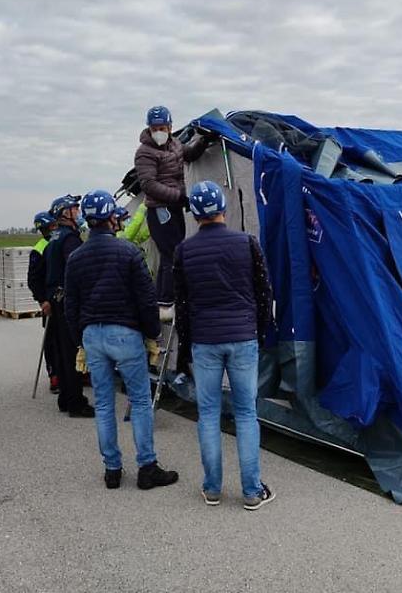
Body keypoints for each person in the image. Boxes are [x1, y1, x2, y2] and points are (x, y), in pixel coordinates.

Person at [65, 190, 179, 490]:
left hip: (92, 335)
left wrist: (81, 340)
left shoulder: (76, 258)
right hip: (126, 334)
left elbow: (71, 306)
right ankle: (147, 467)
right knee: (140, 401)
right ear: (111, 218)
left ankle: (112, 470)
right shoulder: (128, 252)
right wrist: (153, 333)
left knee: (103, 404)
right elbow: (146, 298)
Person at [174, 181, 276, 510]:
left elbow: (182, 305)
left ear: (194, 214)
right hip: (243, 336)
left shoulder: (183, 251)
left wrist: (186, 345)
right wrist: (260, 331)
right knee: (246, 413)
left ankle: (212, 488)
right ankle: (252, 491)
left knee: (208, 414)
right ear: (223, 208)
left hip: (205, 340)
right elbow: (264, 293)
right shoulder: (247, 243)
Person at [133, 106, 214, 322]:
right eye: (154, 128)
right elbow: (148, 184)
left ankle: (165, 301)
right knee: (171, 254)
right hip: (160, 209)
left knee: (172, 254)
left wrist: (204, 141)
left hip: (174, 206)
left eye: (162, 128)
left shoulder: (175, 144)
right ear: (149, 129)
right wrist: (178, 196)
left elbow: (189, 154)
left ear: (170, 127)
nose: (158, 132)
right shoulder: (145, 152)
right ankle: (166, 303)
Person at [44, 194, 94, 418]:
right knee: (73, 351)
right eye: (75, 208)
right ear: (66, 213)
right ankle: (76, 402)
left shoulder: (55, 237)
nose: (79, 211)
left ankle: (65, 397)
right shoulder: (70, 239)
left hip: (56, 298)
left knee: (63, 351)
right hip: (68, 300)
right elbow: (77, 268)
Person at [27, 211, 59, 393]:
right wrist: (42, 300)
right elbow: (33, 280)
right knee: (51, 340)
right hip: (49, 301)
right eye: (53, 226)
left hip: (63, 298)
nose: (55, 228)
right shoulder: (39, 249)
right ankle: (54, 375)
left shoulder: (60, 242)